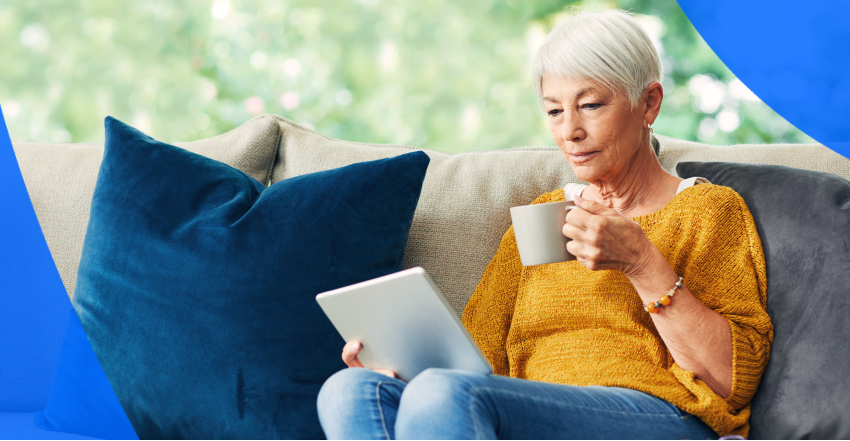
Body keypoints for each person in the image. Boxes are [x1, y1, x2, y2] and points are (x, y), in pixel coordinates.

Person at [317, 9, 772, 440]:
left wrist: (642, 263)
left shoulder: (708, 209)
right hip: (527, 414)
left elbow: (731, 380)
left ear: (648, 104)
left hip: (661, 414)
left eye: (590, 105)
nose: (569, 131)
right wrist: (401, 370)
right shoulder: (543, 214)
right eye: (554, 111)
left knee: (442, 393)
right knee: (350, 392)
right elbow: (476, 362)